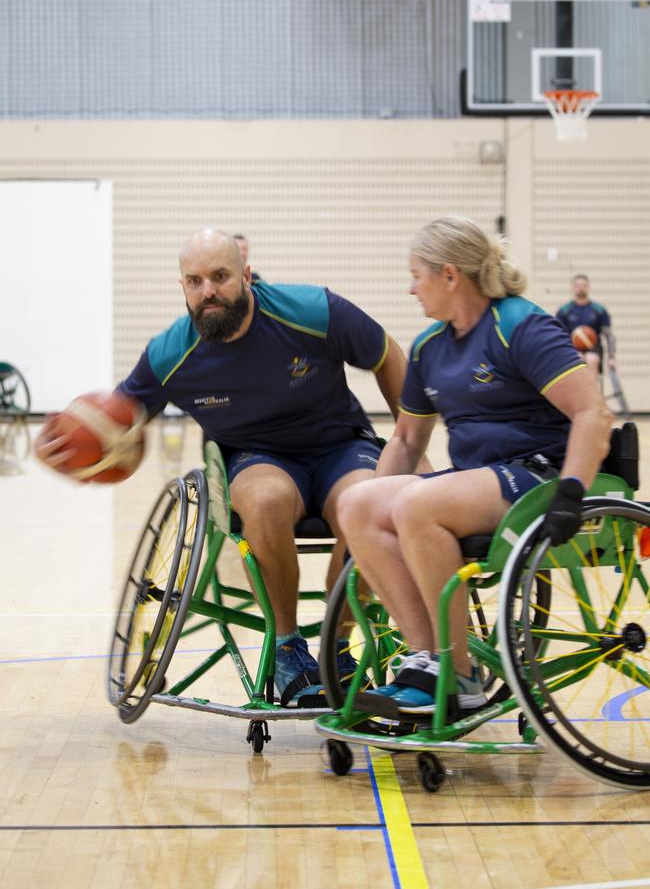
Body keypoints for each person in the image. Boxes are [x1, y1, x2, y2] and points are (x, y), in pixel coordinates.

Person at [37, 228, 408, 707]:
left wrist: (408, 440)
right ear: (183, 288)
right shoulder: (171, 353)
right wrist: (69, 449)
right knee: (267, 499)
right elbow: (119, 422)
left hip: (341, 445)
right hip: (258, 457)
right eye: (194, 280)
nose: (207, 290)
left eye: (219, 276)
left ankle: (337, 647)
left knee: (368, 503)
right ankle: (289, 649)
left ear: (246, 277)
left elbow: (386, 353)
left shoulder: (314, 311)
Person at [337, 216, 612, 716]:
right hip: (478, 479)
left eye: (416, 275)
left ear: (449, 276)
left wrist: (573, 490)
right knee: (357, 504)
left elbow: (593, 411)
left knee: (420, 504)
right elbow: (404, 439)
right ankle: (426, 660)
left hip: (538, 472)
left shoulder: (519, 326)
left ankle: (459, 674)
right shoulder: (428, 347)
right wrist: (367, 532)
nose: (409, 288)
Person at [556, 274, 617, 380]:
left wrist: (611, 357)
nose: (581, 288)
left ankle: (591, 393)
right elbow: (557, 333)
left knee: (591, 359)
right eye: (578, 285)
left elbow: (609, 335)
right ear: (572, 288)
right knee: (578, 359)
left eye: (584, 285)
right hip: (572, 349)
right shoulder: (565, 310)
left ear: (588, 287)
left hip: (594, 349)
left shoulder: (598, 310)